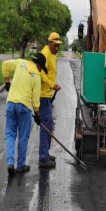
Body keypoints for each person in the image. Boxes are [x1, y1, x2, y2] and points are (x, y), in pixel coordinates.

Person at [2, 52, 47, 175]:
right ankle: (20, 165)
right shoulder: (36, 76)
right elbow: (36, 100)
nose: (41, 70)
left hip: (11, 104)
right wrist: (37, 114)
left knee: (10, 135)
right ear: (38, 64)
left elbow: (4, 64)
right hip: (24, 108)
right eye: (41, 67)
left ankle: (10, 163)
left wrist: (7, 82)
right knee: (23, 136)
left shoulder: (20, 63)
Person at [38, 32, 63, 168]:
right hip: (43, 95)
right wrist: (51, 84)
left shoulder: (52, 54)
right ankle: (43, 158)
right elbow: (40, 72)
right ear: (50, 42)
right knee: (45, 126)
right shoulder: (45, 53)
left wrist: (53, 86)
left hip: (48, 95)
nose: (57, 48)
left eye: (58, 45)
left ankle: (45, 153)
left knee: (49, 124)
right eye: (55, 45)